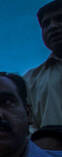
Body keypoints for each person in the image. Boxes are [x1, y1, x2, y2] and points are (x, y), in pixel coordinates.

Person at [24, 0, 62, 131]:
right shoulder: (29, 80)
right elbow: (27, 128)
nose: (52, 27)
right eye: (46, 24)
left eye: (59, 19)